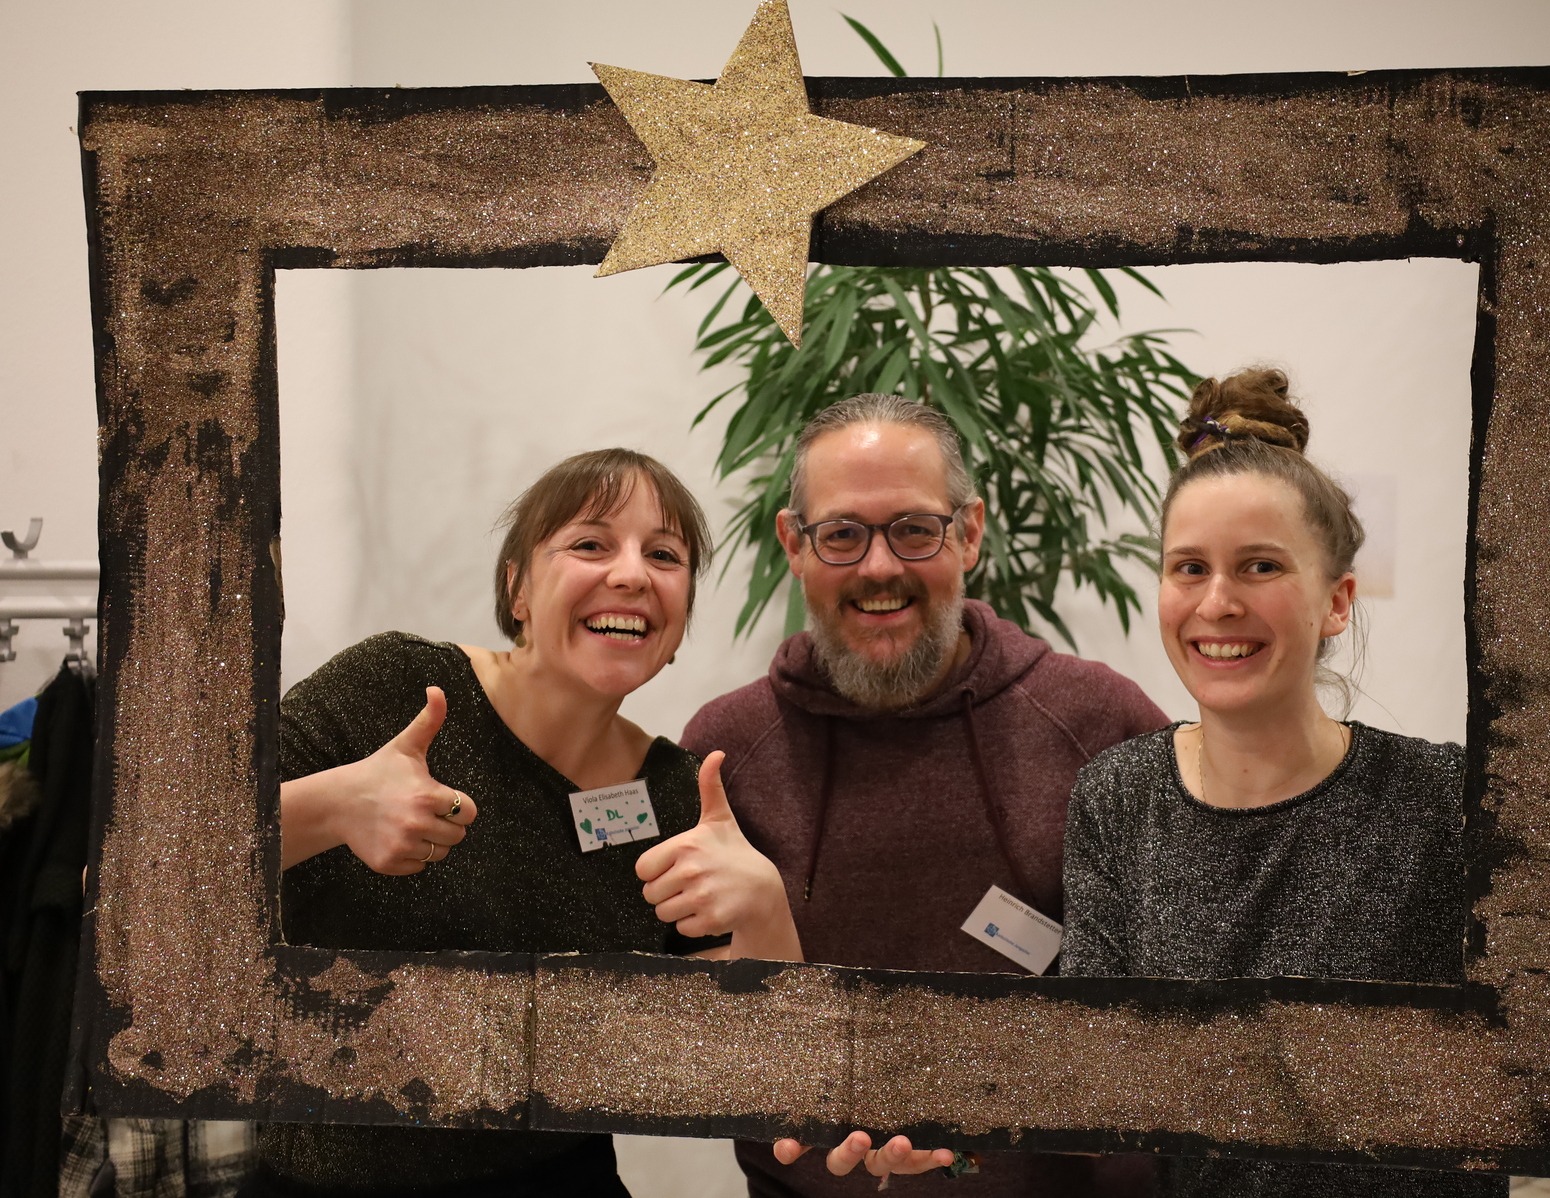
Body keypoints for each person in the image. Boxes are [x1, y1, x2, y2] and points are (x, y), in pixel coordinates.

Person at [1060, 347, 1550, 1197]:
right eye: (1189, 567)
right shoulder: (1117, 798)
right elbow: (1093, 1084)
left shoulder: (1446, 803)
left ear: (1336, 602)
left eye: (1261, 566)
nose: (1217, 602)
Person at [246, 449, 802, 1198]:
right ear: (518, 588)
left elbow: (761, 1068)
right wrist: (334, 805)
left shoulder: (676, 795)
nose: (632, 574)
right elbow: (137, 876)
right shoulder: (393, 689)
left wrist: (767, 911)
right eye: (590, 543)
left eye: (664, 555)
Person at [681, 394, 1170, 1195]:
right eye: (843, 534)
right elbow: (684, 1029)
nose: (879, 567)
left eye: (914, 529)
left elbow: (1183, 1009)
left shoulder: (1100, 723)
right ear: (794, 545)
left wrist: (988, 1106)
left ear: (970, 533)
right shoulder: (724, 753)